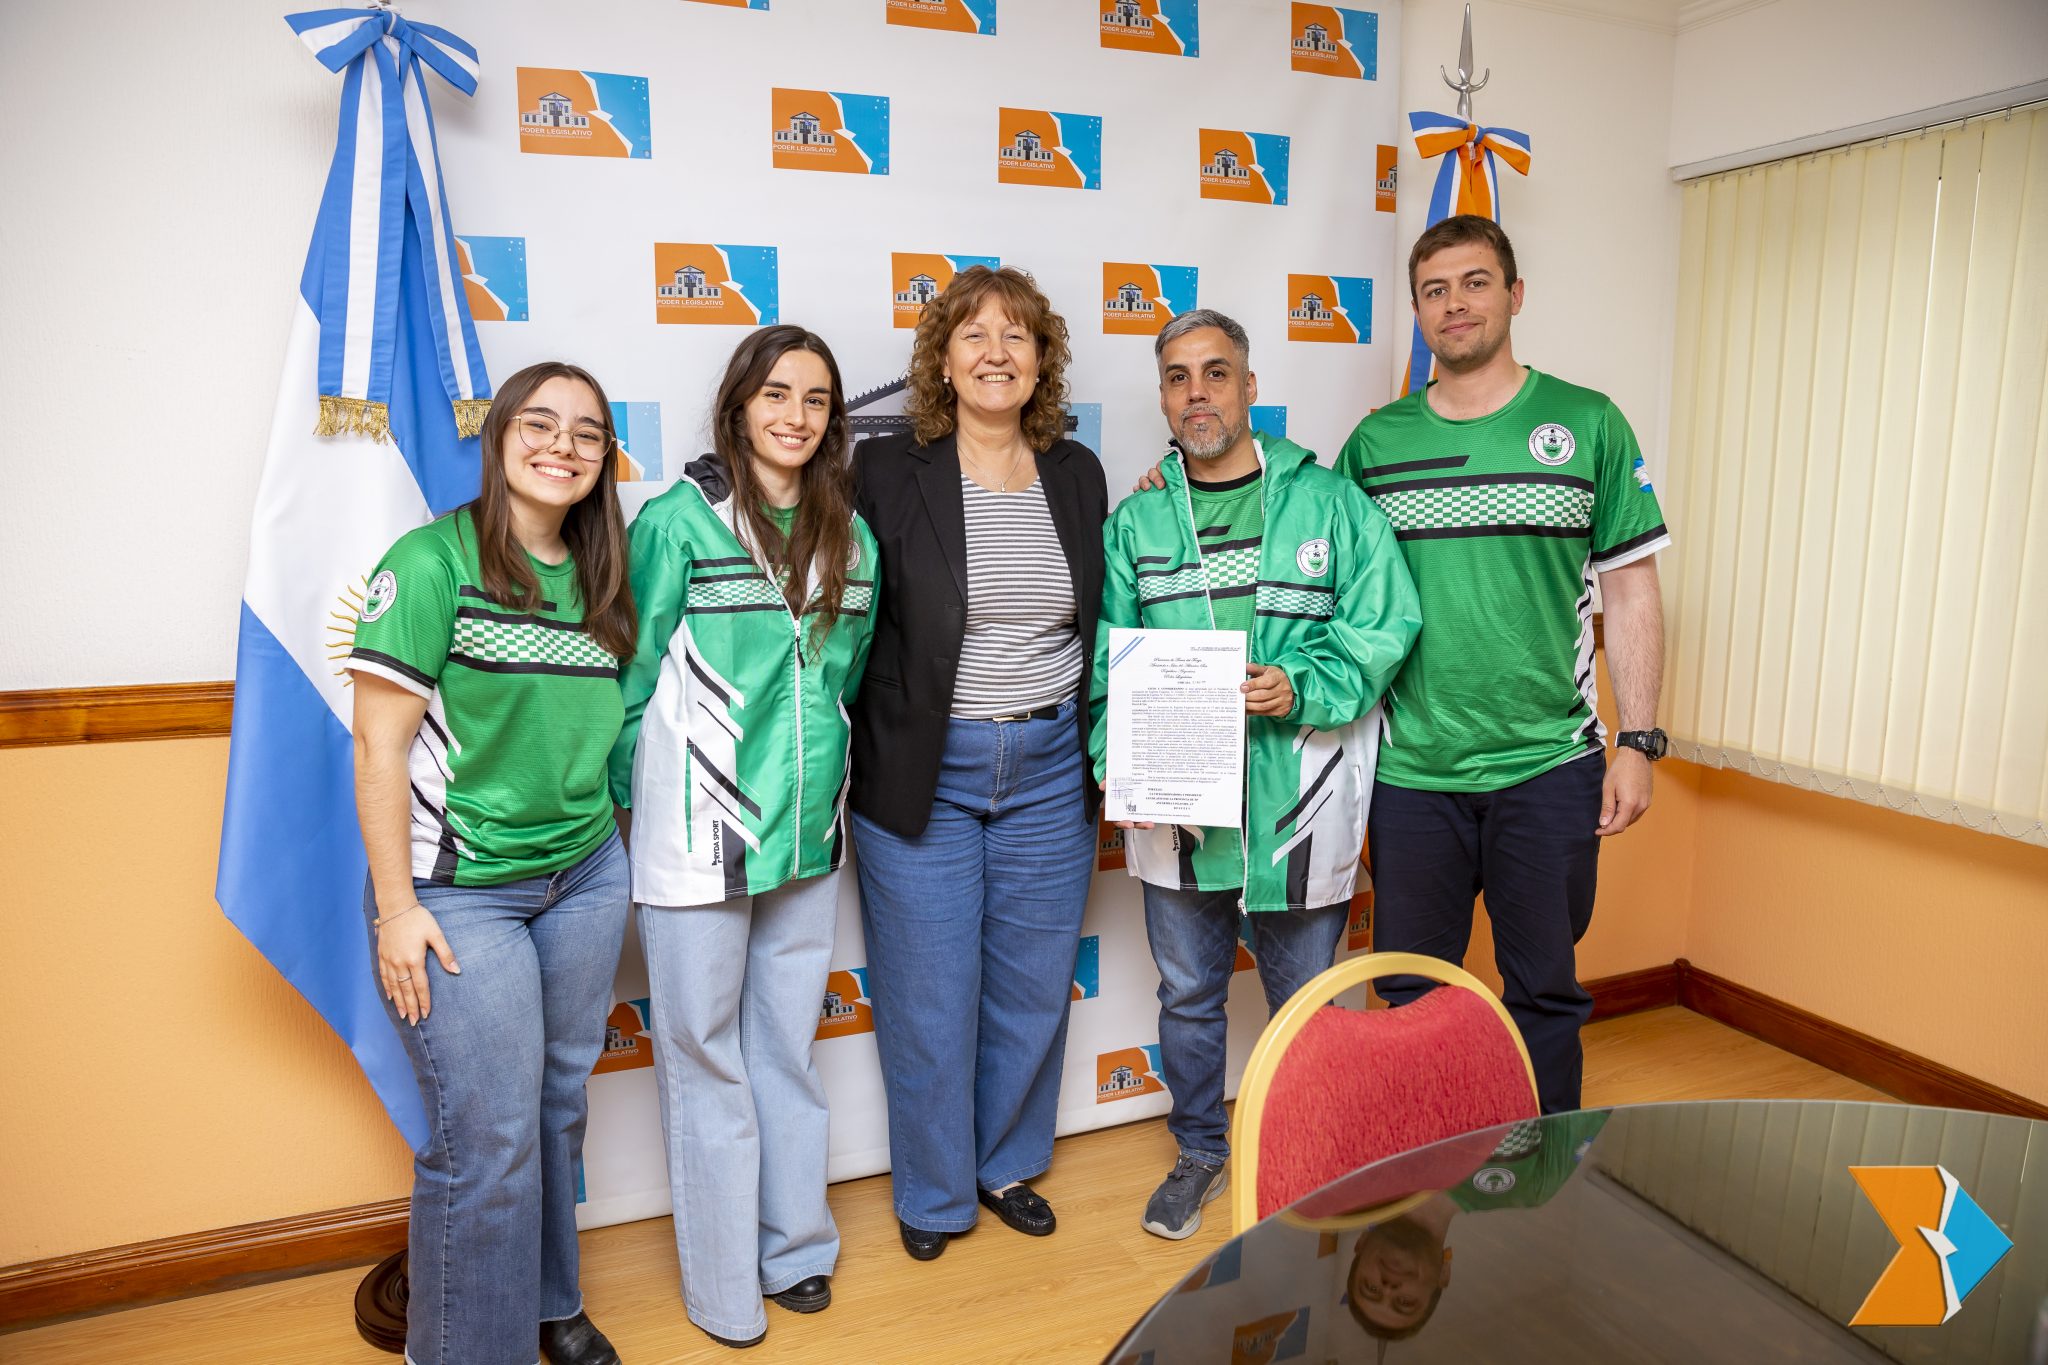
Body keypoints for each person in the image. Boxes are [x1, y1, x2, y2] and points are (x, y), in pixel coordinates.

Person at [1092, 309, 1421, 1241]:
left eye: (1216, 372)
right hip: (1180, 813)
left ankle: (1313, 1151)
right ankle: (1201, 1150)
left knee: (1308, 1001)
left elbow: (1386, 623)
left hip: (1299, 799)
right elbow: (1108, 665)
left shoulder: (1330, 504)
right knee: (1189, 996)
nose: (1197, 392)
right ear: (1163, 398)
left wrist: (1303, 685)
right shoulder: (1136, 522)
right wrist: (1121, 769)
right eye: (1178, 377)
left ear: (1249, 385)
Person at [1333, 214, 1672, 1114]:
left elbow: (1632, 590)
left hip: (1550, 765)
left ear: (1515, 295)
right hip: (1413, 772)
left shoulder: (1589, 423)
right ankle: (1421, 1176)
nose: (1456, 304)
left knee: (1545, 994)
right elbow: (1310, 557)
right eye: (1435, 290)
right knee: (1413, 995)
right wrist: (1175, 478)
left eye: (1476, 282)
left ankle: (1542, 1178)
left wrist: (1638, 741)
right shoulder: (1375, 444)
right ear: (1417, 312)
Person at [348, 361, 637, 1365]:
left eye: (587, 433)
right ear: (500, 434)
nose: (563, 446)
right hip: (459, 889)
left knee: (555, 1109)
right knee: (489, 1139)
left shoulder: (605, 573)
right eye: (540, 424)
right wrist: (396, 909)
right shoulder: (432, 562)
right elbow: (378, 745)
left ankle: (548, 1305)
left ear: (605, 459)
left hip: (585, 874)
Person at [610, 326, 877, 1350]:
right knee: (705, 1060)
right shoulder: (677, 521)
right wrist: (642, 804)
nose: (795, 417)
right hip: (700, 834)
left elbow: (843, 677)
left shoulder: (852, 537)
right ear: (738, 405)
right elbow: (629, 679)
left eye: (815, 400)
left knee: (784, 1050)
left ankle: (796, 1248)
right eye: (775, 394)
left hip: (807, 836)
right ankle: (724, 1288)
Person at [848, 265, 1108, 1260]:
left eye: (1016, 336)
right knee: (927, 997)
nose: (995, 353)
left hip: (1049, 766)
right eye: (973, 335)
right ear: (942, 361)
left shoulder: (1076, 473)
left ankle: (1004, 1164)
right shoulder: (886, 470)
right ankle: (932, 1193)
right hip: (925, 768)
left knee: (1032, 987)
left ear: (1041, 360)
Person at [1346, 1113, 1609, 1342]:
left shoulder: (1367, 1146)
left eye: (1371, 1288)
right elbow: (1591, 1081)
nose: (1389, 1288)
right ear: (1443, 1275)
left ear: (1361, 1243)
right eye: (1405, 1302)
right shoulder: (1531, 1187)